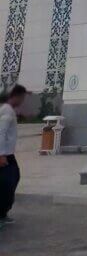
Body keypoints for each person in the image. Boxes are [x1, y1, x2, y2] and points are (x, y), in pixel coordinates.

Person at [0, 84, 27, 227]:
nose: (22, 101)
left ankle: (2, 213)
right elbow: (1, 133)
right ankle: (1, 214)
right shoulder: (7, 111)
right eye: (22, 98)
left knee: (12, 179)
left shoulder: (8, 109)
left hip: (7, 154)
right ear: (16, 96)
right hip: (5, 155)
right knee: (7, 184)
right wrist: (1, 155)